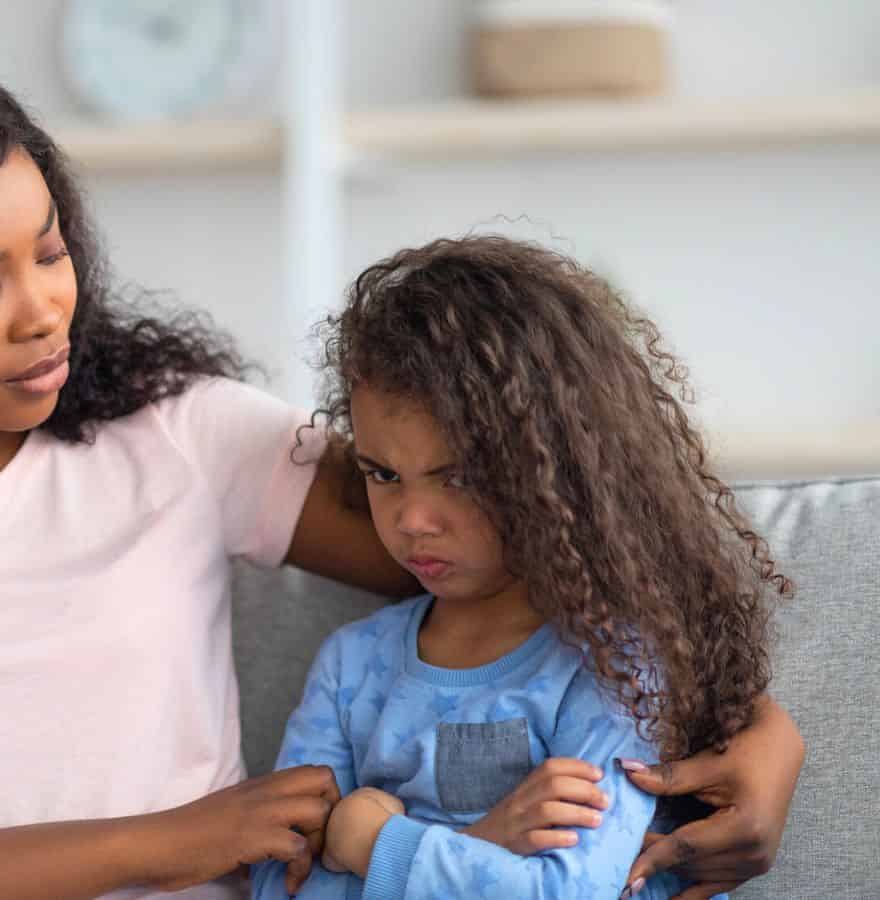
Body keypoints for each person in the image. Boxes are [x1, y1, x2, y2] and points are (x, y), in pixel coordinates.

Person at [0, 49, 803, 900]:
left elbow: (529, 541)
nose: (45, 314)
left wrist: (756, 727)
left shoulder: (178, 435)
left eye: (51, 253)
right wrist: (172, 840)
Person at [251, 236, 795, 900]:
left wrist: (367, 841)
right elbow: (280, 882)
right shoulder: (349, 668)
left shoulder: (615, 664)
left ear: (559, 474)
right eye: (383, 474)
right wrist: (482, 841)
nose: (413, 518)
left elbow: (572, 892)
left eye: (459, 479)